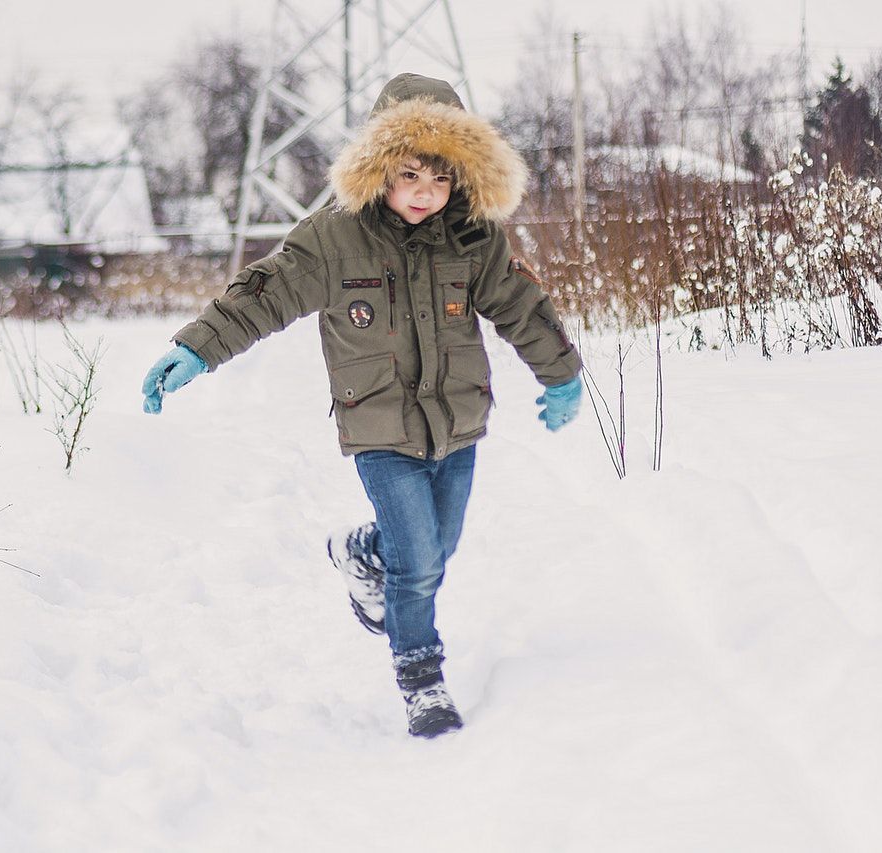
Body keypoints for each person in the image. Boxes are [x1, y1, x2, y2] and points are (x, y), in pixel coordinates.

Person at [141, 73, 583, 738]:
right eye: (410, 177)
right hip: (378, 427)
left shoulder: (474, 239)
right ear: (379, 169)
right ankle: (421, 679)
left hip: (458, 423)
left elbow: (522, 305)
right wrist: (198, 348)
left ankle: (361, 551)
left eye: (440, 181)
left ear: (462, 177)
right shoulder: (334, 237)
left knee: (438, 547)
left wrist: (562, 374)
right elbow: (264, 293)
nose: (424, 195)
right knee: (418, 558)